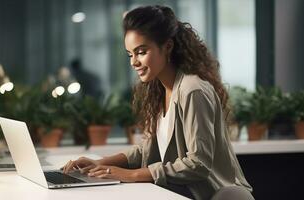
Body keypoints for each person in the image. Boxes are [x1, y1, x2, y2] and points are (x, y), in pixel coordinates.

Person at [62, 5, 252, 199]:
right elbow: (145, 150)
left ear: (168, 46)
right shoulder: (159, 90)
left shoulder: (192, 90)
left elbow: (198, 164)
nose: (133, 62)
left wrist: (132, 174)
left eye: (141, 52)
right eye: (130, 54)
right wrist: (100, 163)